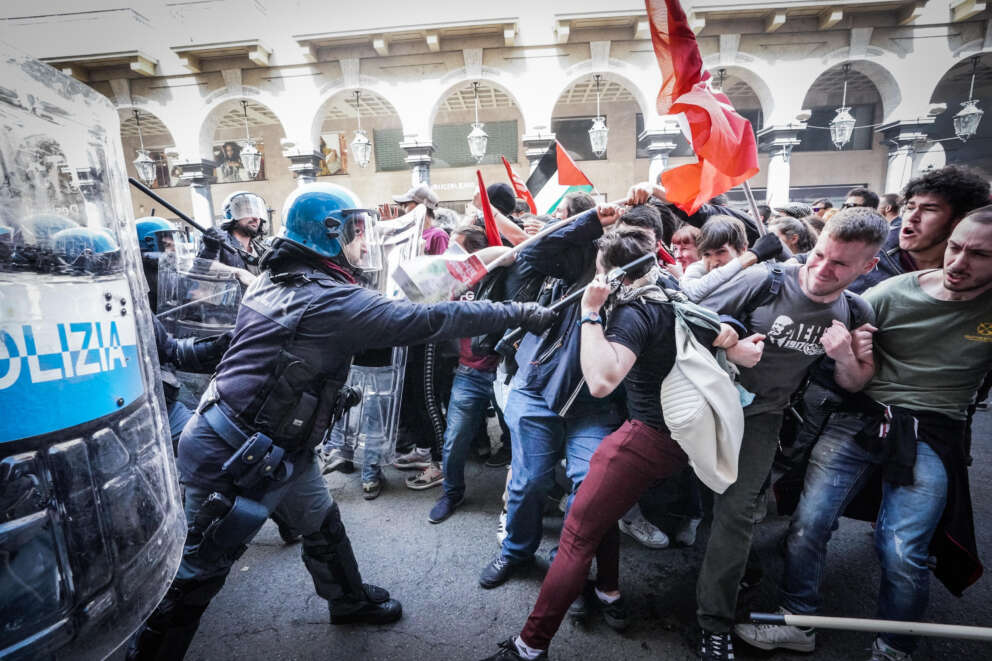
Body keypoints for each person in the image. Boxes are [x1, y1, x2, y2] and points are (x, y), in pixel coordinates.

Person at [126, 182, 556, 660]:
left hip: (277, 446)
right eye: (355, 228)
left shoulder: (280, 278)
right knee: (196, 576)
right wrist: (519, 312)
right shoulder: (329, 298)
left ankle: (348, 602)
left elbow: (248, 352)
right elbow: (429, 320)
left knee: (322, 524)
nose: (363, 239)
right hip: (234, 456)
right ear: (330, 233)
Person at [478, 228, 759, 661]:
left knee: (574, 538)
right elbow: (706, 316)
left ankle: (529, 646)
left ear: (611, 274)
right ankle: (608, 592)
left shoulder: (633, 313)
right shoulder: (666, 285)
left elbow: (603, 380)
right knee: (600, 509)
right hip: (669, 439)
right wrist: (731, 332)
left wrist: (591, 313)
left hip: (644, 440)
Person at [735, 206, 992, 661]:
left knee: (902, 548)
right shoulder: (889, 294)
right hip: (861, 418)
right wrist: (848, 357)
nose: (958, 263)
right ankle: (800, 620)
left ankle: (893, 647)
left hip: (933, 432)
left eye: (979, 255)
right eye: (955, 247)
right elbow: (851, 380)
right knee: (807, 525)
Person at [691, 207, 888, 660]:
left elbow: (855, 382)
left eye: (840, 264)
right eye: (819, 255)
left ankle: (713, 622)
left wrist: (843, 357)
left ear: (867, 266)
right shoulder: (768, 279)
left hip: (762, 417)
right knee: (671, 494)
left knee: (736, 513)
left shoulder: (855, 310)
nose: (822, 269)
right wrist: (731, 344)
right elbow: (689, 318)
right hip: (701, 405)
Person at [476, 202, 641, 590]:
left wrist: (727, 332)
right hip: (537, 390)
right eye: (613, 251)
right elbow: (533, 251)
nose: (619, 265)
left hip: (594, 408)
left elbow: (696, 307)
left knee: (589, 487)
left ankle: (567, 561)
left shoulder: (649, 289)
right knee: (529, 481)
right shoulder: (582, 262)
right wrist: (590, 221)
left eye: (636, 253)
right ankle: (516, 551)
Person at [199, 190, 268, 273]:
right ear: (231, 214)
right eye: (249, 211)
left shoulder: (261, 249)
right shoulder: (219, 241)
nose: (256, 218)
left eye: (258, 213)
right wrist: (210, 250)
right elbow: (202, 269)